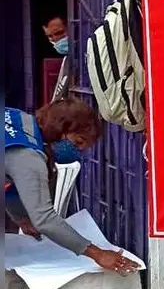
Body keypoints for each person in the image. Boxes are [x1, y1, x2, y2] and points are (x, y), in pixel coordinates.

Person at [4, 98, 139, 274]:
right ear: (61, 129)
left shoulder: (18, 119)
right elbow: (45, 220)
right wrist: (97, 254)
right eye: (78, 142)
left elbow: (11, 179)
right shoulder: (28, 157)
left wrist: (21, 217)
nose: (78, 152)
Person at [42, 15, 73, 101]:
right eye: (50, 36)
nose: (55, 39)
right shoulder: (65, 59)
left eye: (58, 33)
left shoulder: (85, 54)